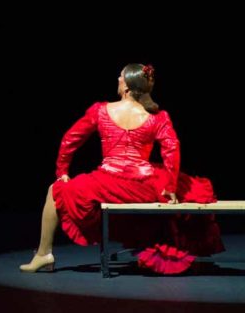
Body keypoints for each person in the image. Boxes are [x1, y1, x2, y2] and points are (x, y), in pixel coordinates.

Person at [20, 64, 223, 275]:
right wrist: (170, 186)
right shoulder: (158, 116)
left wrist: (62, 171)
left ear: (126, 87)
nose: (117, 79)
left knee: (55, 190)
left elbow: (70, 139)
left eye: (120, 77)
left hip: (108, 182)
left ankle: (44, 254)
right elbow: (172, 149)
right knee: (186, 192)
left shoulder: (101, 110)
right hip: (145, 186)